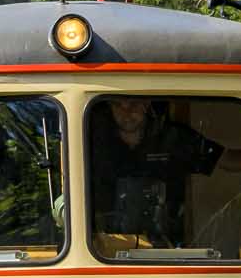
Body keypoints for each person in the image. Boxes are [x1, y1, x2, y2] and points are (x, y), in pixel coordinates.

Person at [90, 97, 222, 250]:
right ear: (110, 106)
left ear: (146, 104)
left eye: (134, 103)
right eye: (118, 105)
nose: (126, 112)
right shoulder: (93, 142)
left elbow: (227, 160)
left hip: (167, 248)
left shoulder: (173, 138)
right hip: (105, 250)